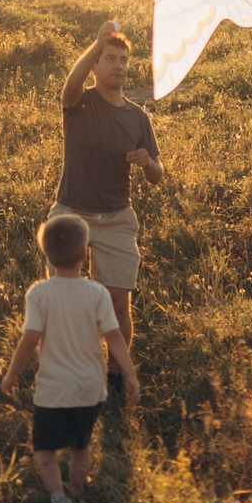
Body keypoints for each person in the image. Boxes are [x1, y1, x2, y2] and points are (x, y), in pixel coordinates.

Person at [0, 212, 139, 503]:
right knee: (80, 448)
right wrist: (129, 374)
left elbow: (29, 340)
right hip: (91, 388)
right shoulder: (98, 292)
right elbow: (114, 336)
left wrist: (10, 375)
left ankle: (59, 499)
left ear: (46, 253)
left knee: (44, 450)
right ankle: (79, 493)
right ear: (86, 252)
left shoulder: (40, 294)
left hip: (53, 390)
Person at [51, 20, 164, 354]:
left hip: (116, 218)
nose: (118, 65)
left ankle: (117, 374)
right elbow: (71, 82)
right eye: (110, 58)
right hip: (72, 212)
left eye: (123, 60)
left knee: (117, 305)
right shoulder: (79, 103)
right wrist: (96, 44)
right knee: (63, 297)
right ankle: (64, 364)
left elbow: (158, 174)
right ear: (96, 66)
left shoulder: (138, 117)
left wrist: (149, 163)